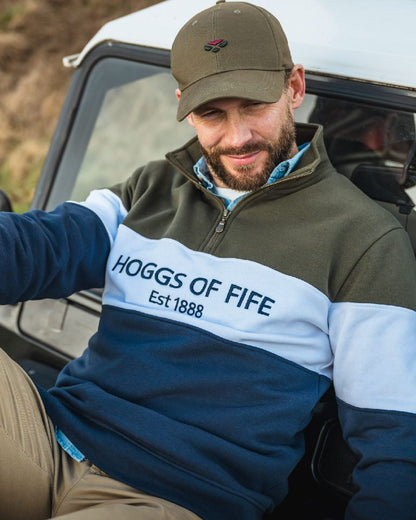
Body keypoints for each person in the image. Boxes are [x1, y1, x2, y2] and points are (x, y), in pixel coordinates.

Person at [1, 1, 416, 519]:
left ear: (293, 87)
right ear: (184, 105)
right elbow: (37, 246)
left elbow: (395, 438)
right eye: (212, 113)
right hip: (51, 438)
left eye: (254, 105)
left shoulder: (365, 239)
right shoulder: (152, 187)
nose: (237, 137)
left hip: (164, 497)